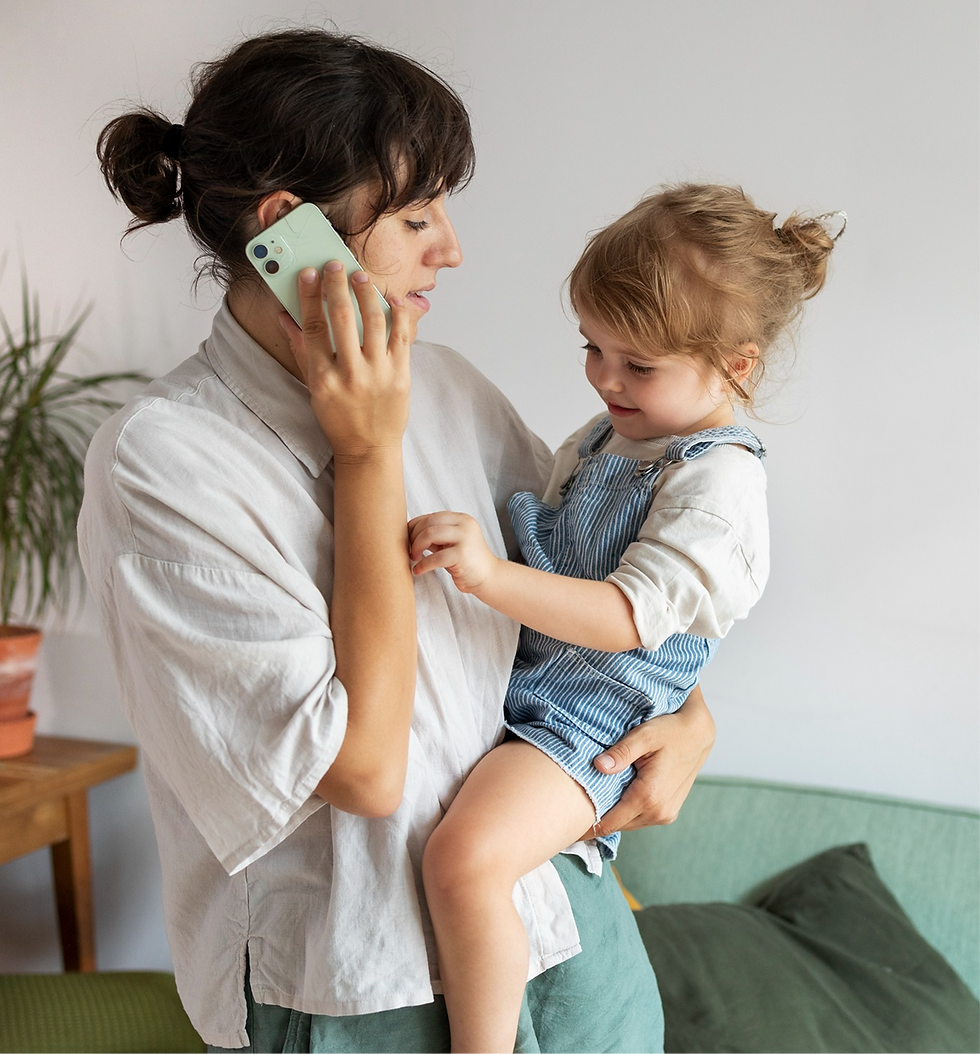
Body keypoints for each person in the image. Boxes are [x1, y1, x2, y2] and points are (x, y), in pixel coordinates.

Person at [79, 28, 716, 1054]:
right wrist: (370, 455)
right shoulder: (160, 463)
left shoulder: (451, 386)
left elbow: (586, 590)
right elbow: (363, 769)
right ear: (290, 232)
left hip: (562, 930)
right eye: (416, 215)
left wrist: (689, 717)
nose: (450, 248)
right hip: (353, 989)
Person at [409, 183, 839, 1054]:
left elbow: (627, 617)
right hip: (529, 687)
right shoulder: (610, 437)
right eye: (591, 347)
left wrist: (488, 577)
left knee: (465, 861)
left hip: (587, 718)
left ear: (737, 365)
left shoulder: (720, 484)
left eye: (637, 364)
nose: (605, 377)